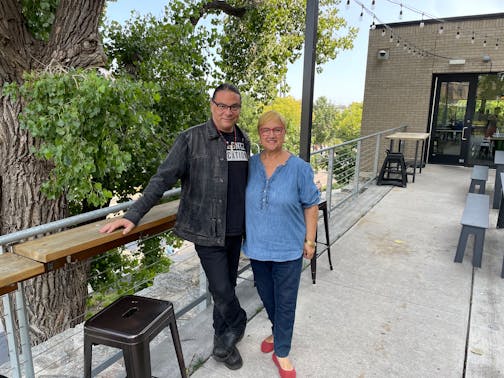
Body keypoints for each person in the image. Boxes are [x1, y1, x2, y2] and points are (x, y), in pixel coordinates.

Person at [100, 83, 250, 370]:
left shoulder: (243, 141)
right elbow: (162, 179)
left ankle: (223, 343)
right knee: (221, 288)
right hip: (206, 229)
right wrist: (133, 214)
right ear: (212, 106)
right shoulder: (190, 139)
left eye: (234, 106)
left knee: (227, 285)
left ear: (238, 109)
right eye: (222, 105)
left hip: (235, 229)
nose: (227, 112)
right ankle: (238, 321)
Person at [242, 111, 320, 378]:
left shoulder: (299, 168)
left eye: (277, 130)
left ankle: (283, 352)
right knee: (268, 296)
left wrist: (310, 240)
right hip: (258, 247)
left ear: (284, 133)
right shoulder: (249, 165)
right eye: (266, 130)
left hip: (288, 249)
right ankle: (277, 333)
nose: (271, 135)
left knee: (285, 302)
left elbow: (311, 206)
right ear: (259, 134)